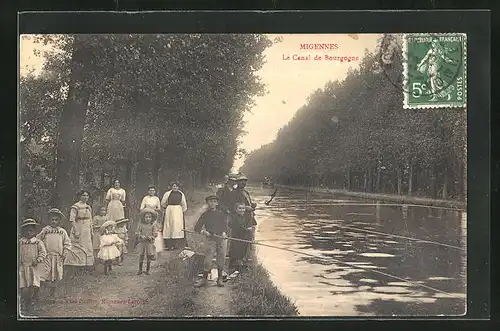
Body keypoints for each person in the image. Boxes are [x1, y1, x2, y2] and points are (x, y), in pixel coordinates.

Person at [193, 195, 228, 288]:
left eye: (214, 201)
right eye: (210, 201)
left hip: (221, 239)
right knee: (208, 260)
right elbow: (197, 228)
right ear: (207, 203)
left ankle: (220, 279)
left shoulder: (221, 214)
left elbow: (225, 226)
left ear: (217, 203)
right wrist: (204, 232)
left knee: (221, 258)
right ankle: (204, 279)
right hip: (210, 239)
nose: (212, 203)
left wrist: (224, 233)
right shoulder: (205, 214)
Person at [36, 208, 71, 298]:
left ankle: (52, 294)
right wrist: (41, 252)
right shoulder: (45, 230)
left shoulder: (62, 231)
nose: (54, 222)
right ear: (49, 220)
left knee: (55, 275)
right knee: (44, 274)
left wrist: (64, 253)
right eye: (52, 220)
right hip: (47, 257)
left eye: (56, 220)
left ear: (59, 220)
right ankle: (40, 293)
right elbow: (38, 240)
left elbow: (67, 243)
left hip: (58, 257)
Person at [19, 219, 47, 313]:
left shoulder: (38, 242)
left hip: (34, 267)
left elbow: (43, 253)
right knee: (24, 286)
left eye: (30, 230)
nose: (28, 232)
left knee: (34, 285)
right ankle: (26, 303)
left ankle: (36, 302)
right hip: (23, 267)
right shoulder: (21, 242)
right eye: (26, 230)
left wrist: (38, 260)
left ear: (35, 231)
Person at [64, 190, 95, 273]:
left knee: (87, 245)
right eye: (84, 195)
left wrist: (91, 230)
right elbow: (72, 219)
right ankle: (75, 265)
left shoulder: (88, 207)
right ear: (80, 196)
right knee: (78, 245)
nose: (85, 197)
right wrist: (75, 230)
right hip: (79, 226)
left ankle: (87, 265)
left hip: (86, 228)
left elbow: (90, 219)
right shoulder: (75, 206)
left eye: (87, 195)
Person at [228, 173, 257, 262]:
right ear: (237, 182)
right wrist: (245, 208)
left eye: (245, 181)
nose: (243, 182)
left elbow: (248, 203)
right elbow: (231, 206)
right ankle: (236, 260)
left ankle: (246, 258)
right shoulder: (233, 193)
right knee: (238, 240)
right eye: (241, 181)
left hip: (249, 219)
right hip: (239, 220)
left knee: (249, 239)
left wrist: (252, 205)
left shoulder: (246, 192)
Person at [228, 202, 256, 271]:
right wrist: (247, 229)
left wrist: (251, 229)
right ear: (236, 209)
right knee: (236, 252)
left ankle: (242, 265)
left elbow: (254, 224)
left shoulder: (246, 216)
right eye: (240, 208)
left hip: (245, 237)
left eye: (243, 208)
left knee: (244, 251)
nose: (242, 210)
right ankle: (234, 266)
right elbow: (237, 227)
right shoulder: (234, 217)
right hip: (236, 237)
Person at [161, 182, 188, 250]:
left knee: (177, 226)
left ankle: (177, 244)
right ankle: (169, 244)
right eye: (173, 186)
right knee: (169, 225)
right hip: (169, 210)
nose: (175, 187)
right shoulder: (167, 194)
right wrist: (167, 208)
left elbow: (184, 204)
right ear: (171, 187)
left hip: (178, 211)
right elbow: (163, 203)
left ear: (178, 187)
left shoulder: (181, 194)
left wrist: (180, 211)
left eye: (176, 186)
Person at [135, 208, 159, 275]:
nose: (148, 219)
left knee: (149, 255)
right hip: (142, 242)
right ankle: (140, 270)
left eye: (149, 217)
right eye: (146, 217)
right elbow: (137, 232)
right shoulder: (141, 225)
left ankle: (148, 270)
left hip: (149, 242)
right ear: (143, 218)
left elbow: (155, 233)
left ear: (152, 218)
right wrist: (141, 236)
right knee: (141, 255)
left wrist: (151, 237)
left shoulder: (153, 225)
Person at [140, 185, 163, 252]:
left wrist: (154, 210)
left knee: (154, 228)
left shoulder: (156, 198)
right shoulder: (145, 198)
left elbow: (159, 208)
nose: (151, 192)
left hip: (154, 215)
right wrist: (147, 210)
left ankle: (156, 246)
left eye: (153, 190)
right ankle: (146, 245)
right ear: (148, 191)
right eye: (150, 190)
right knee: (147, 227)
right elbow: (141, 207)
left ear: (155, 191)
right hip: (147, 214)